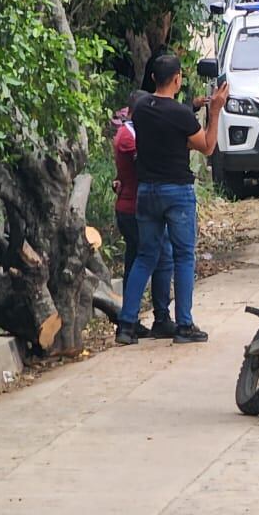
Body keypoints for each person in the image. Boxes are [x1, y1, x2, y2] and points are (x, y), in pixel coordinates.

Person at [117, 55, 229, 345]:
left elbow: (163, 116)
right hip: (176, 191)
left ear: (153, 78)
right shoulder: (180, 115)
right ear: (178, 79)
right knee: (183, 256)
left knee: (145, 255)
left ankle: (126, 325)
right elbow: (206, 147)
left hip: (146, 191)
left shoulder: (140, 109)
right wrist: (214, 112)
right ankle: (184, 325)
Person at [111, 91, 175, 339]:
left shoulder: (130, 133)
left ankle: (134, 318)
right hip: (135, 207)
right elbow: (146, 163)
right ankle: (147, 318)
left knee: (138, 260)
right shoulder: (129, 137)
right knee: (158, 256)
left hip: (135, 205)